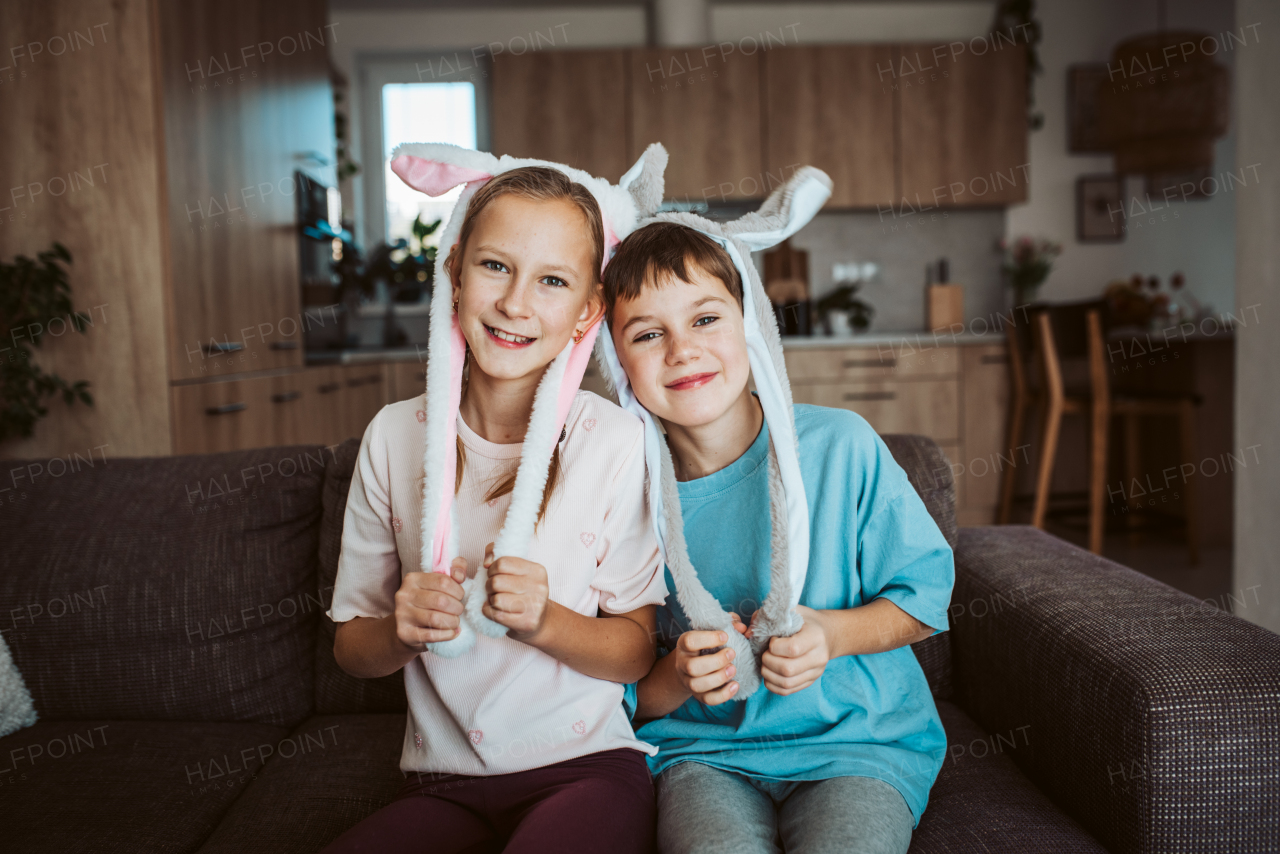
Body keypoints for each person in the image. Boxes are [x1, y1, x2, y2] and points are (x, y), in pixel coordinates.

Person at [596, 171, 955, 854]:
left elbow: (925, 599)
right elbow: (615, 695)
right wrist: (674, 676)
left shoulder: (842, 447)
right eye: (647, 334)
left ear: (751, 324)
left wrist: (833, 634)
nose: (682, 350)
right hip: (703, 756)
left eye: (705, 318)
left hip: (858, 747)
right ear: (616, 362)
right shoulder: (616, 496)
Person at [321, 154, 669, 854]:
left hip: (586, 770)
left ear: (586, 312)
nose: (515, 304)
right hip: (443, 780)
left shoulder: (614, 441)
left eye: (552, 282)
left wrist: (543, 620)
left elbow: (634, 653)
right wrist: (401, 629)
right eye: (494, 267)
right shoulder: (393, 435)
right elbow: (353, 648)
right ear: (454, 274)